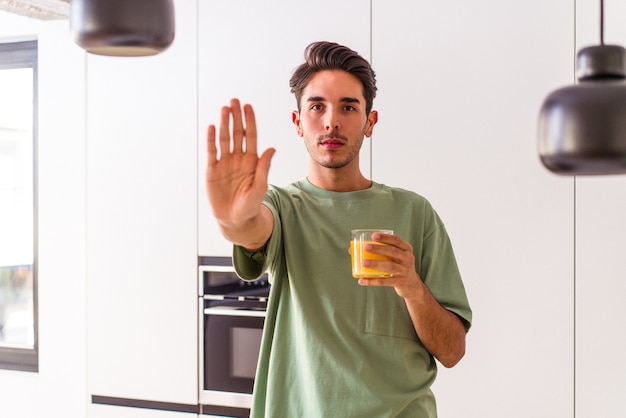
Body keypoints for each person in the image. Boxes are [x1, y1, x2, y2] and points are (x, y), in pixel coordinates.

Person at [205, 41, 472, 418]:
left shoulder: (416, 213)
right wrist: (232, 219)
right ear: (298, 123)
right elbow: (253, 229)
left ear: (370, 122)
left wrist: (412, 287)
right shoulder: (283, 207)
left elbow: (452, 351)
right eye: (317, 107)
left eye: (349, 107)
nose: (332, 121)